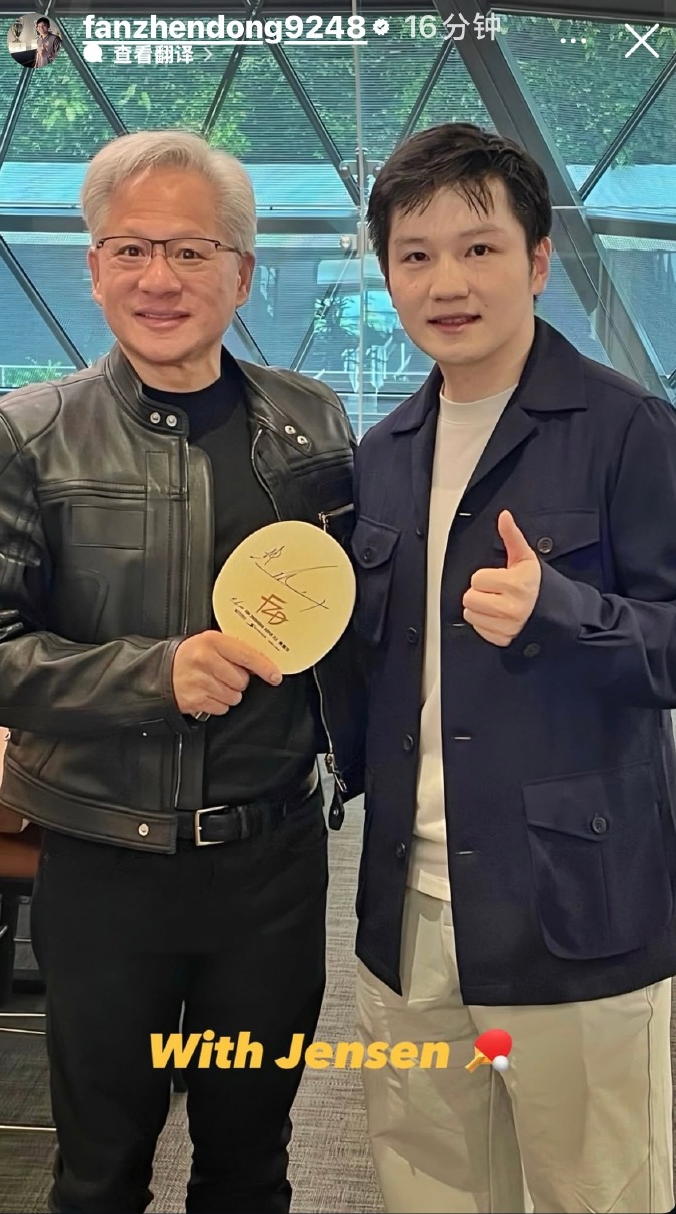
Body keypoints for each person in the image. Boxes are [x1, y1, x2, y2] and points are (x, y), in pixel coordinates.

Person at [0, 129, 363, 1214]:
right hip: (105, 861)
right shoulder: (30, 436)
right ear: (93, 266)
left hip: (272, 866)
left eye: (191, 251)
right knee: (99, 1171)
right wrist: (155, 675)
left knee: (249, 1162)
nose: (159, 278)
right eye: (131, 249)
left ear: (241, 273)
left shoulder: (313, 423)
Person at [351, 121, 676, 1214]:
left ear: (537, 261)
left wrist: (563, 613)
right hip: (406, 911)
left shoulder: (629, 429)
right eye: (416, 254)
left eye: (479, 248)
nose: (447, 282)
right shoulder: (382, 454)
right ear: (390, 273)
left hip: (573, 911)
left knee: (599, 1193)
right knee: (430, 1189)